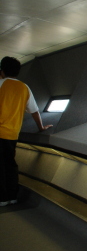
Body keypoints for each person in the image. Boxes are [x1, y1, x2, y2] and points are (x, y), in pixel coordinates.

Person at [0, 56, 52, 207]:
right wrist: (41, 128)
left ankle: (2, 198)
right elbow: (35, 111)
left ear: (2, 69)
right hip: (12, 134)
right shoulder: (24, 88)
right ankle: (13, 196)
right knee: (10, 164)